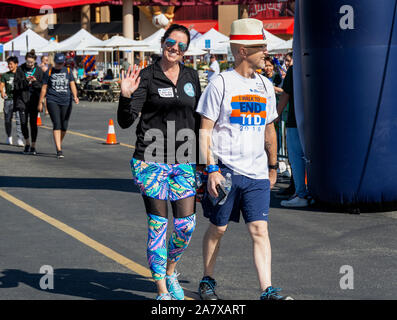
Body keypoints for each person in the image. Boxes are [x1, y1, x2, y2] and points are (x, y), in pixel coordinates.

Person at [196, 18, 293, 300]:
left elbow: (269, 129)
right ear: (242, 51)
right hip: (225, 170)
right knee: (219, 228)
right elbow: (205, 130)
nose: (266, 52)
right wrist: (211, 169)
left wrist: (273, 165)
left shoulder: (265, 85)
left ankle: (266, 290)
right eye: (260, 47)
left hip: (257, 173)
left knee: (260, 229)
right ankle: (208, 279)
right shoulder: (221, 83)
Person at [117, 24, 201, 300]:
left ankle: (171, 270)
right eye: (171, 42)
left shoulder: (191, 76)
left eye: (182, 45)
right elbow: (126, 121)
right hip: (150, 161)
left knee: (186, 225)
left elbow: (199, 120)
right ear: (163, 42)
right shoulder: (147, 76)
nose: (175, 48)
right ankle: (163, 291)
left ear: (186, 50)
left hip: (185, 160)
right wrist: (125, 95)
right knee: (159, 224)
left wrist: (207, 161)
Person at [277, 60, 308, 207]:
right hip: (317, 124)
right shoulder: (319, 63)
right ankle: (310, 192)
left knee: (296, 159)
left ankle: (301, 194)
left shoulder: (294, 70)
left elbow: (285, 95)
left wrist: (276, 115)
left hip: (295, 121)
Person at [37, 53, 79, 159]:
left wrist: (75, 96)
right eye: (58, 63)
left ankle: (58, 142)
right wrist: (40, 102)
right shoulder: (49, 72)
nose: (60, 65)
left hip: (66, 101)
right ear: (54, 62)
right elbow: (44, 88)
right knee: (57, 123)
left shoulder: (68, 71)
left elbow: (72, 84)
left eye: (61, 63)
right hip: (52, 100)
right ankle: (59, 150)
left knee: (64, 126)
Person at [13, 49, 43, 155]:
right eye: (28, 62)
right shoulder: (20, 69)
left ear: (35, 61)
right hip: (22, 100)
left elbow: (42, 87)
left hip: (34, 100)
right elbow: (16, 84)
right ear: (25, 60)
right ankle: (27, 143)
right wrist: (26, 80)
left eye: (31, 62)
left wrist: (34, 81)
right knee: (23, 123)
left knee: (33, 124)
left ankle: (33, 146)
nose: (29, 64)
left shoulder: (39, 71)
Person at [0, 56, 24, 146]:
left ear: (16, 64)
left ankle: (20, 138)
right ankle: (9, 136)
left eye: (11, 64)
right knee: (7, 120)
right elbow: (1, 85)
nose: (9, 66)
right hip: (8, 100)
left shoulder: (21, 74)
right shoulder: (5, 75)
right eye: (8, 64)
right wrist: (2, 92)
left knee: (19, 120)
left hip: (18, 100)